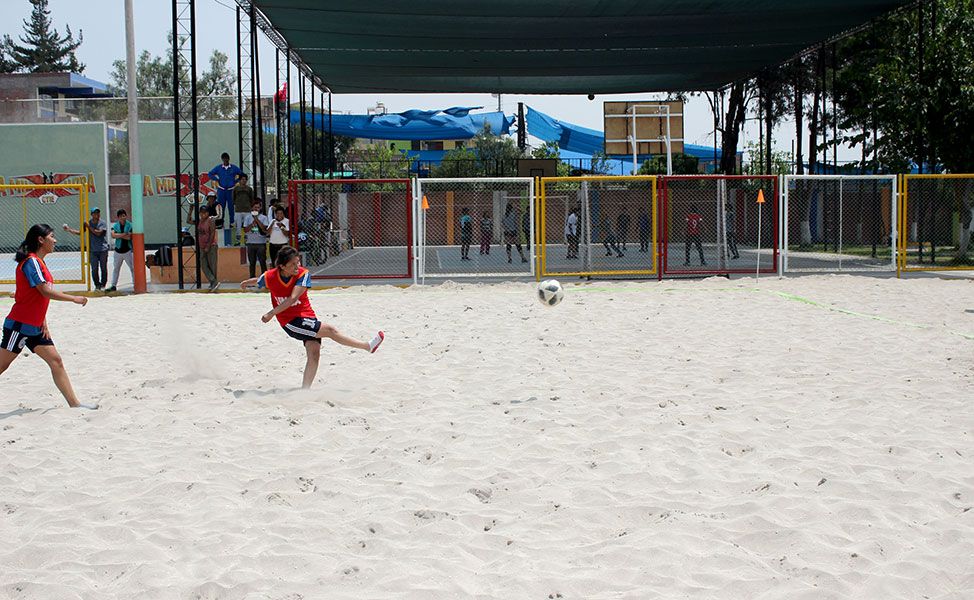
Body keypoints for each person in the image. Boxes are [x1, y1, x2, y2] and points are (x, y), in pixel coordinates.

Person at [240, 246, 384, 389]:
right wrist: (247, 282)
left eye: (298, 262)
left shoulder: (303, 274)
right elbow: (260, 280)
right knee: (330, 330)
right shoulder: (270, 276)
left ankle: (305, 391)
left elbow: (293, 298)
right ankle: (367, 346)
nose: (297, 266)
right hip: (291, 322)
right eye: (293, 264)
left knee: (314, 353)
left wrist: (270, 313)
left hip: (307, 317)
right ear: (282, 266)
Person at [1, 224, 96, 409]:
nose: (55, 240)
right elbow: (44, 291)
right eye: (52, 236)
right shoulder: (32, 261)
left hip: (35, 327)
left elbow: (34, 296)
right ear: (41, 240)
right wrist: (73, 298)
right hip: (19, 326)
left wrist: (43, 322)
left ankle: (74, 404)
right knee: (2, 366)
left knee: (56, 361)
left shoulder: (39, 262)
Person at [62, 207, 109, 290]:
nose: (97, 215)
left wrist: (88, 226)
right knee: (94, 269)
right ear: (92, 215)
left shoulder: (102, 223)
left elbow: (98, 233)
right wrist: (69, 229)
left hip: (102, 249)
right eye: (95, 213)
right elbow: (80, 233)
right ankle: (97, 285)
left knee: (103, 268)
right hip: (92, 250)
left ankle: (103, 285)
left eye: (98, 213)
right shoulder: (89, 223)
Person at [207, 152, 243, 242]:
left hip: (230, 189)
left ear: (229, 159)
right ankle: (221, 223)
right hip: (221, 189)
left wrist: (235, 181)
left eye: (227, 159)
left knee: (231, 207)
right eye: (224, 159)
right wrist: (217, 179)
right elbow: (210, 174)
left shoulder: (233, 168)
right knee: (221, 207)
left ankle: (232, 224)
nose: (225, 160)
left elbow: (242, 174)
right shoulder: (219, 168)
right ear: (222, 159)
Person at [106, 209, 135, 293]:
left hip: (127, 250)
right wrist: (124, 234)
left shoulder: (130, 225)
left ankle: (135, 284)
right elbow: (113, 235)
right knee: (116, 268)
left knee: (132, 268)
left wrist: (118, 235)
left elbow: (129, 237)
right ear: (118, 217)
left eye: (124, 215)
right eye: (121, 216)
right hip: (118, 250)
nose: (123, 217)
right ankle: (113, 285)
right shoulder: (115, 225)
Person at [242, 199, 270, 278]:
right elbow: (245, 230)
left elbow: (264, 228)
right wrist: (251, 224)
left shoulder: (264, 217)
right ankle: (252, 278)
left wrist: (256, 219)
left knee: (262, 262)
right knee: (252, 263)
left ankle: (264, 279)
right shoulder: (247, 217)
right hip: (251, 243)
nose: (256, 209)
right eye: (254, 207)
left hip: (261, 243)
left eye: (257, 208)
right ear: (251, 208)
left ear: (260, 208)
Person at [197, 205, 220, 291]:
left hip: (211, 245)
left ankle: (213, 283)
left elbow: (212, 233)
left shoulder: (210, 220)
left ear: (207, 213)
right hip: (202, 246)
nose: (203, 215)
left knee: (212, 265)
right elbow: (189, 221)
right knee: (203, 265)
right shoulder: (200, 221)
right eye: (201, 213)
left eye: (205, 213)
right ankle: (213, 281)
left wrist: (208, 245)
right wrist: (191, 210)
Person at [232, 173, 255, 245]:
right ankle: (238, 240)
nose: (244, 181)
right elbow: (233, 198)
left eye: (245, 179)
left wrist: (250, 206)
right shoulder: (236, 189)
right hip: (238, 210)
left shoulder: (249, 189)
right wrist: (236, 204)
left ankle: (247, 239)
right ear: (239, 180)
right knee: (238, 226)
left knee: (247, 225)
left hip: (247, 210)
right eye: (242, 179)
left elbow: (252, 199)